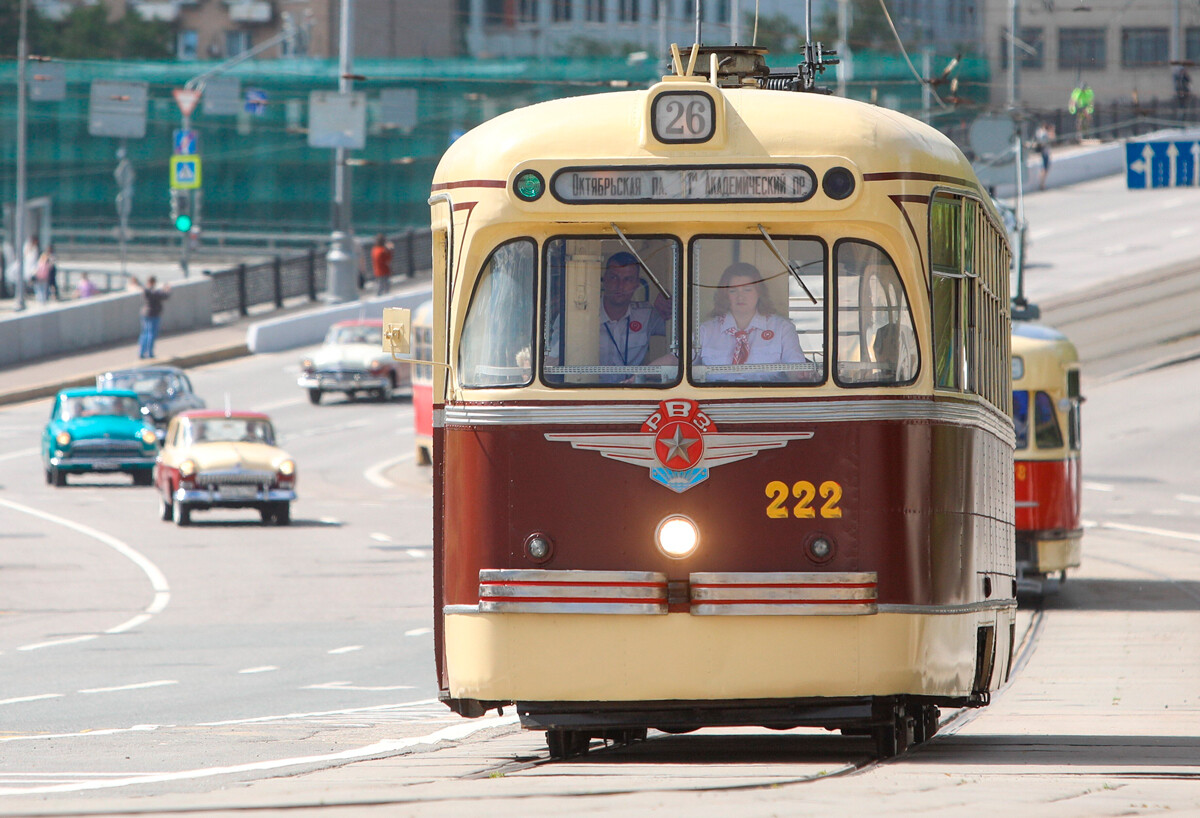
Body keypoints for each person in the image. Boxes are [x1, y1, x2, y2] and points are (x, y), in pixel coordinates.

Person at [674, 262, 807, 382]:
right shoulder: (705, 330)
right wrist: (653, 369)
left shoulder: (782, 328)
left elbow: (795, 368)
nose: (740, 296)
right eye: (733, 291)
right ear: (725, 295)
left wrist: (804, 375)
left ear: (759, 292)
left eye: (747, 290)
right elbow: (677, 361)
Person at [128, 274, 171, 359]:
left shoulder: (147, 290)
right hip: (153, 314)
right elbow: (164, 296)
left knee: (145, 333)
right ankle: (150, 353)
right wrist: (167, 290)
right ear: (154, 282)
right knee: (151, 334)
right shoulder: (152, 291)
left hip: (145, 314)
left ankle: (141, 352)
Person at [1032, 122, 1054, 190]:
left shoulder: (1039, 132)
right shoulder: (1043, 134)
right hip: (1045, 152)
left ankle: (1042, 183)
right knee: (1045, 168)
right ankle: (1042, 183)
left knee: (1045, 168)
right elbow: (1047, 140)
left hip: (1044, 152)